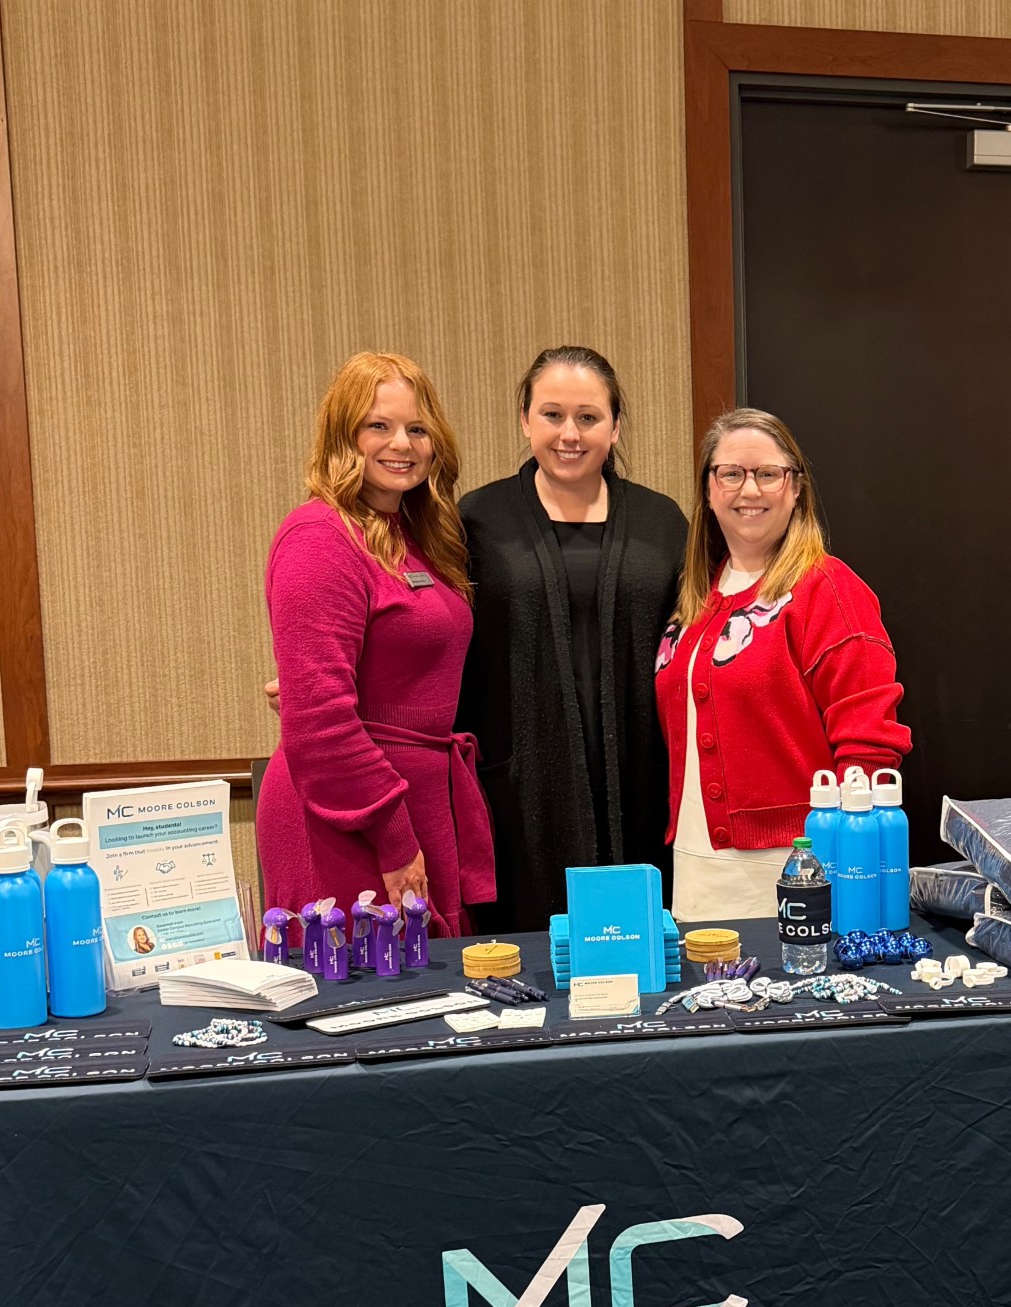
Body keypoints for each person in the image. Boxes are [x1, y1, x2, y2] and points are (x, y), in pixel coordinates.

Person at [256, 353, 494, 939]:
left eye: (417, 429)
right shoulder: (319, 537)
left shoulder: (417, 539)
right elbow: (320, 720)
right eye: (378, 426)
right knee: (356, 1009)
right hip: (346, 819)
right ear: (345, 437)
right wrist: (392, 835)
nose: (402, 444)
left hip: (415, 804)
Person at [455, 347, 688, 932]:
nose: (570, 434)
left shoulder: (663, 523)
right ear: (524, 420)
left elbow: (699, 633)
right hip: (521, 784)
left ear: (614, 426)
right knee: (530, 963)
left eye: (588, 417)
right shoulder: (478, 520)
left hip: (641, 776)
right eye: (552, 415)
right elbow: (432, 626)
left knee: (642, 954)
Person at [656, 408, 910, 922]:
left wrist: (840, 868)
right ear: (709, 491)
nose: (749, 490)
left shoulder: (829, 590)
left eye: (768, 474)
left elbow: (868, 742)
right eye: (731, 473)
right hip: (696, 867)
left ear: (796, 489)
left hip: (794, 869)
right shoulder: (697, 594)